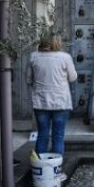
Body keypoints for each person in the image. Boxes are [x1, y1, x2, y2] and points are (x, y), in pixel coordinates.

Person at [26, 34, 77, 179]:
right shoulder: (65, 57)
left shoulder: (33, 57)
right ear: (57, 42)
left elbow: (28, 79)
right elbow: (73, 77)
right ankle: (56, 172)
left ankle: (39, 172)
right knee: (58, 137)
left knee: (42, 135)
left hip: (41, 102)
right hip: (60, 102)